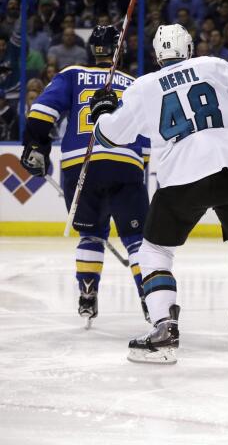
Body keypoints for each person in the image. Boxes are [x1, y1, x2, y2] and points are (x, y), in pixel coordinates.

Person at [90, 23, 228, 364]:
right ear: (188, 48)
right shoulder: (212, 65)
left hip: (182, 177)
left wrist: (103, 110)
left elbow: (111, 137)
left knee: (155, 253)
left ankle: (164, 329)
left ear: (157, 54)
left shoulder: (144, 86)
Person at [20, 25, 150, 327]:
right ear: (123, 51)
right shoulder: (136, 84)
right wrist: (139, 166)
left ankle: (87, 296)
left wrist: (36, 145)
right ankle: (150, 297)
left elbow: (41, 111)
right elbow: (145, 136)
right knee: (135, 238)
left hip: (80, 163)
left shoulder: (72, 74)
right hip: (124, 162)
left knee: (91, 234)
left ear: (92, 49)